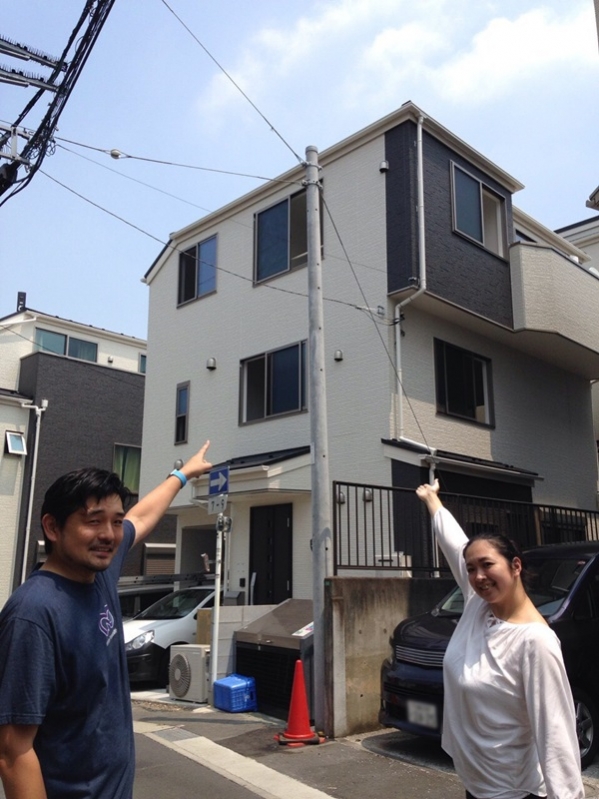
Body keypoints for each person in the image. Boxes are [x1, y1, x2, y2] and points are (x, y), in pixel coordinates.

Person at [0, 441, 212, 799]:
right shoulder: (33, 614)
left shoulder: (99, 574)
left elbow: (140, 518)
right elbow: (12, 752)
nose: (109, 534)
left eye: (115, 521)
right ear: (52, 527)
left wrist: (182, 474)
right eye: (93, 521)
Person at [416, 478, 584, 799]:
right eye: (471, 569)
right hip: (476, 785)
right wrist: (432, 501)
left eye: (487, 565)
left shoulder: (535, 642)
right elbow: (454, 544)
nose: (478, 576)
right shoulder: (478, 605)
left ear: (515, 565)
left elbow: (556, 732)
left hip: (513, 791)